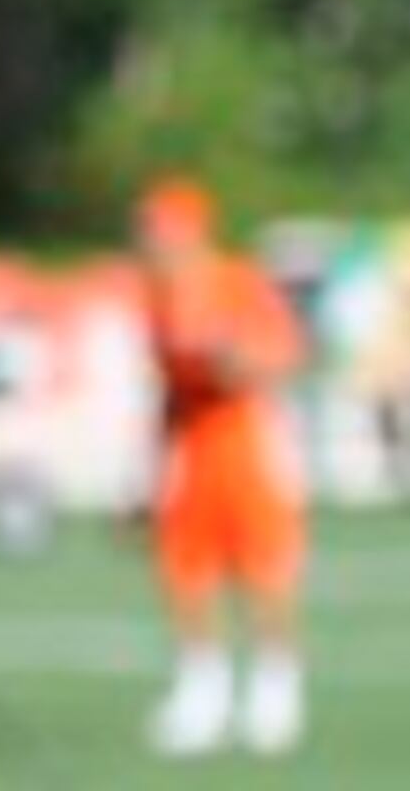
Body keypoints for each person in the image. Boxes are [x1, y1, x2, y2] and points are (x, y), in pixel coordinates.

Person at [132, 175, 310, 759]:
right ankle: (202, 688)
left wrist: (229, 355)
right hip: (192, 444)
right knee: (185, 573)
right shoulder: (157, 300)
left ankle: (275, 686)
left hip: (247, 440)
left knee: (264, 569)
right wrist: (150, 466)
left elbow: (278, 358)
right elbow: (167, 389)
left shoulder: (237, 283)